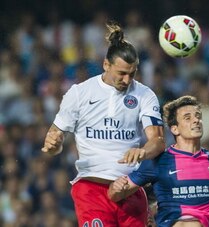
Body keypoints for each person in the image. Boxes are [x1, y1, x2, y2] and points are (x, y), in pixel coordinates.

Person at [41, 21, 165, 227]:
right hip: (91, 189)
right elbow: (54, 140)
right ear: (106, 65)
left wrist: (143, 151)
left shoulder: (144, 94)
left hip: (130, 188)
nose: (127, 80)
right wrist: (54, 145)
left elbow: (158, 141)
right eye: (122, 73)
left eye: (132, 73)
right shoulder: (79, 93)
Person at [108, 96, 209, 227]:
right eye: (188, 118)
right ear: (175, 129)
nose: (196, 120)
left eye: (198, 116)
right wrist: (116, 187)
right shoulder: (160, 161)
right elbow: (116, 195)